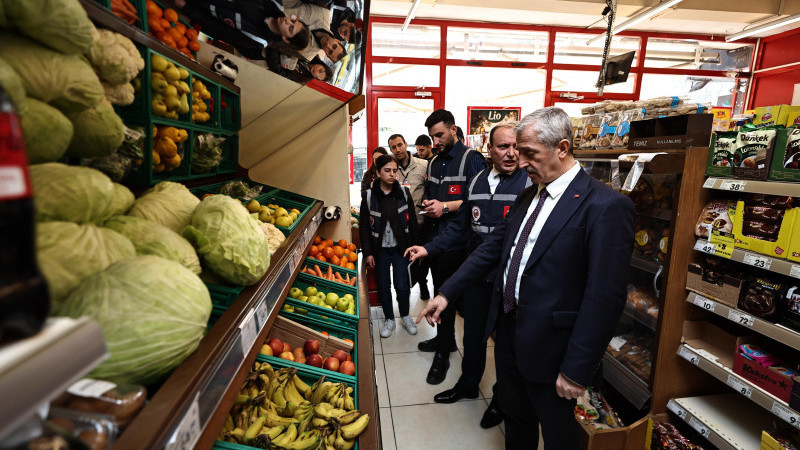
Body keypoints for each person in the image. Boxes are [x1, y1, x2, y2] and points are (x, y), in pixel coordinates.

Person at [417, 107, 636, 449]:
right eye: (519, 154)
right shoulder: (528, 195)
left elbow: (604, 297)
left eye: (530, 154)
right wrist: (447, 293)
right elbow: (491, 250)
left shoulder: (605, 206)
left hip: (556, 353)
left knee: (559, 437)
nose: (520, 164)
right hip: (509, 336)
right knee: (517, 424)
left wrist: (577, 368)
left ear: (562, 148)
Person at [405, 122, 530, 428]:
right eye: (503, 147)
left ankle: (502, 399)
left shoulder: (529, 184)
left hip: (510, 283)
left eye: (516, 146)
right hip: (477, 278)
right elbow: (459, 229)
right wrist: (429, 248)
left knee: (506, 347)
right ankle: (468, 385)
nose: (511, 153)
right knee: (473, 337)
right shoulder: (476, 182)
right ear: (490, 150)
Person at [417, 109, 487, 385]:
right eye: (433, 136)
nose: (436, 140)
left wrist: (444, 207)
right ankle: (443, 341)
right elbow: (430, 193)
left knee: (448, 298)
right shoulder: (434, 162)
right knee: (438, 292)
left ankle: (444, 353)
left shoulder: (472, 159)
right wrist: (428, 204)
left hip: (460, 242)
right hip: (437, 239)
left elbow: (479, 198)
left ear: (454, 129)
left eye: (440, 134)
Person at [359, 155, 420, 338]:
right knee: (384, 285)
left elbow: (413, 222)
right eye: (387, 170)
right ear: (377, 172)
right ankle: (389, 319)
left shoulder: (404, 193)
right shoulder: (369, 197)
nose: (392, 174)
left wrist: (416, 246)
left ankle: (405, 315)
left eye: (395, 170)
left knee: (402, 285)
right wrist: (368, 252)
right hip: (380, 250)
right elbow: (363, 227)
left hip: (400, 248)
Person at [175, 0, 311, 60]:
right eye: (293, 21)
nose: (287, 21)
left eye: (290, 28)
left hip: (200, 5)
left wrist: (187, 8)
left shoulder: (257, 40)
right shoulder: (275, 3)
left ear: (286, 39)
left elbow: (219, 31)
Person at [388, 134, 430, 300]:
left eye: (400, 145)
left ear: (406, 144)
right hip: (399, 225)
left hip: (420, 222)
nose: (397, 149)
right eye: (393, 147)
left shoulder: (424, 165)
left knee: (422, 258)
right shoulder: (390, 168)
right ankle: (402, 291)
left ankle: (423, 284)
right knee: (402, 258)